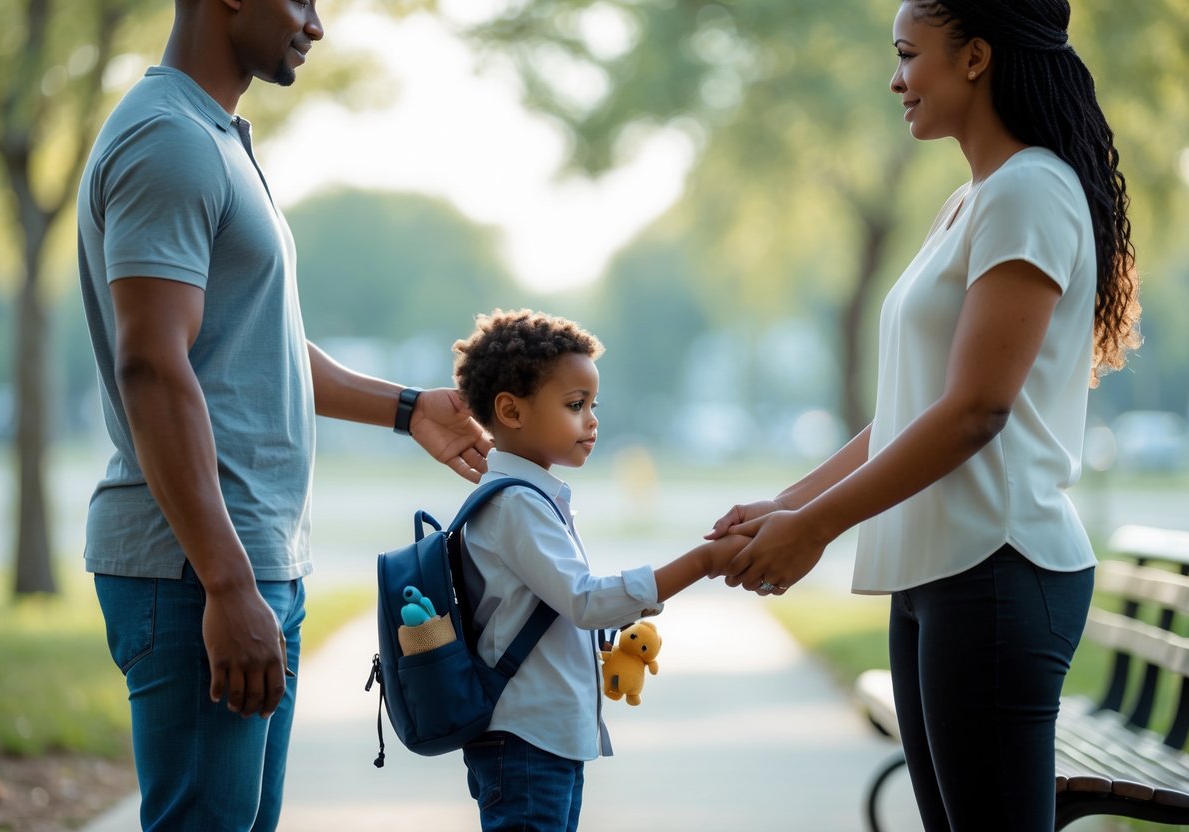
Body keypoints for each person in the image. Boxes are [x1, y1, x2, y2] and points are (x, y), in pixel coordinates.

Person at [707, 1, 1141, 829]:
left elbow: (977, 410)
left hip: (997, 568)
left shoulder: (1028, 191)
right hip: (942, 571)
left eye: (909, 55)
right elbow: (915, 408)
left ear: (974, 57)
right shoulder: (970, 200)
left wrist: (817, 529)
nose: (895, 78)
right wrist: (788, 505)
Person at [74, 0, 492, 828]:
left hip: (245, 564)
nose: (315, 22)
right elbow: (152, 367)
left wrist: (409, 411)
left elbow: (259, 347)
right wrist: (227, 584)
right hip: (195, 569)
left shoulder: (212, 139)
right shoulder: (170, 142)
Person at [451, 309, 748, 832]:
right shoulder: (515, 505)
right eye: (574, 405)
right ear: (511, 411)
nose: (592, 420)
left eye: (592, 404)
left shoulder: (533, 499)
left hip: (546, 740)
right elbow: (584, 601)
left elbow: (552, 610)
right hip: (526, 745)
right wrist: (702, 561)